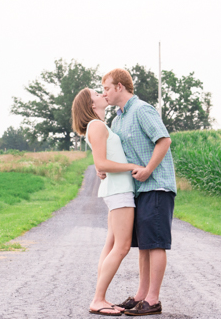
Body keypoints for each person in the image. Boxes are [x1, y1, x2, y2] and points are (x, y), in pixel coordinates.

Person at [101, 68, 176, 317]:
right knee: (144, 245)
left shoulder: (142, 110)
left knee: (155, 243)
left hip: (156, 184)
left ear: (120, 87)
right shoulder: (117, 120)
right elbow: (117, 156)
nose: (105, 94)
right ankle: (141, 295)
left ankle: (153, 300)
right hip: (137, 190)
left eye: (107, 89)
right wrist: (105, 170)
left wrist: (148, 170)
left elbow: (164, 140)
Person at [72, 88, 144, 317]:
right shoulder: (97, 126)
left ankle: (100, 297)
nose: (101, 94)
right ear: (91, 105)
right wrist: (132, 167)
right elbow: (102, 164)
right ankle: (98, 299)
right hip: (120, 190)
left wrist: (105, 167)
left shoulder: (98, 126)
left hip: (116, 189)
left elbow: (100, 163)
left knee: (111, 244)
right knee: (121, 247)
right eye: (96, 93)